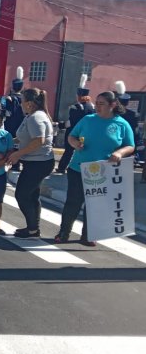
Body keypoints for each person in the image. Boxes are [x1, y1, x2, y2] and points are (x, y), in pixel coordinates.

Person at [55, 91, 135, 246]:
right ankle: (63, 232)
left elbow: (130, 145)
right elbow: (72, 136)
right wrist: (75, 144)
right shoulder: (88, 119)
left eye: (101, 104)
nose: (97, 106)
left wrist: (119, 152)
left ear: (112, 105)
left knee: (95, 204)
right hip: (79, 168)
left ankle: (89, 235)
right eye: (96, 103)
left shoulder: (121, 124)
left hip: (104, 171)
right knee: (73, 202)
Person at [6, 88, 55, 238]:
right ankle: (33, 228)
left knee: (22, 194)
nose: (20, 103)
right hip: (35, 161)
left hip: (39, 162)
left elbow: (38, 141)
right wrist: (9, 141)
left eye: (22, 100)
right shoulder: (31, 116)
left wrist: (17, 154)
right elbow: (25, 137)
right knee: (32, 195)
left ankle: (33, 228)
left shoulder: (36, 117)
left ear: (29, 103)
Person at [57, 75, 94, 173]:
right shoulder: (92, 107)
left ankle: (62, 168)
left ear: (79, 95)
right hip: (86, 133)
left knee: (69, 151)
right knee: (83, 151)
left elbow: (70, 122)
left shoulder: (75, 107)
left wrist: (60, 125)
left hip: (73, 132)